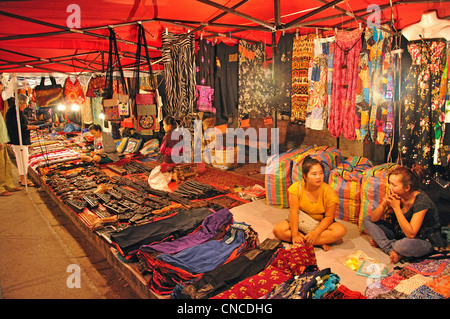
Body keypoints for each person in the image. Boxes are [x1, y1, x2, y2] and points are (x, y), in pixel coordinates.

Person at [363, 165, 442, 263]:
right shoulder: (397, 195)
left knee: (401, 245)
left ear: (407, 187)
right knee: (367, 219)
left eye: (394, 185)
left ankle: (390, 246)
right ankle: (391, 250)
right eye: (390, 183)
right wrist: (384, 204)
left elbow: (411, 234)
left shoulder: (422, 202)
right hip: (400, 233)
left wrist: (396, 208)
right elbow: (374, 219)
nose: (390, 187)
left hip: (424, 240)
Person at [273, 155, 346, 251]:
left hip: (320, 224)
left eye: (321, 173)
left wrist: (315, 233)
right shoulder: (296, 188)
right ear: (305, 176)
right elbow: (294, 213)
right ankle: (317, 241)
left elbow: (329, 217)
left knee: (340, 231)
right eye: (314, 174)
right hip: (301, 223)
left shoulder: (328, 191)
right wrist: (295, 235)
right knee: (278, 230)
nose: (318, 177)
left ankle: (306, 241)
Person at [5, 93, 38, 187]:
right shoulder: (14, 112)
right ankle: (24, 180)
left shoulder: (14, 111)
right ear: (21, 102)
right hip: (19, 140)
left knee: (21, 159)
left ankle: (23, 178)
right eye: (26, 103)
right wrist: (31, 126)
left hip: (18, 139)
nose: (27, 105)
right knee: (23, 159)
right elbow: (18, 126)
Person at [0, 95, 22, 195]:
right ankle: (1, 187)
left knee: (6, 163)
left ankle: (8, 184)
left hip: (3, 139)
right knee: (1, 164)